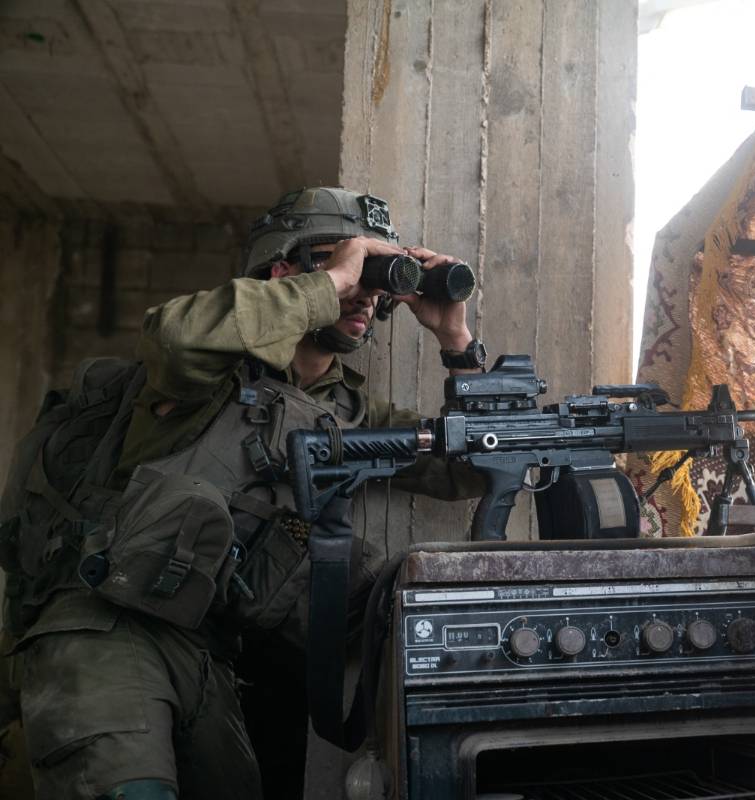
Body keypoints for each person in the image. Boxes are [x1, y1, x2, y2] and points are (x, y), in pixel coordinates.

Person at [10, 187, 485, 800]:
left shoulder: (345, 410)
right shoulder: (202, 375)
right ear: (282, 271)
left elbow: (466, 470)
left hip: (207, 656)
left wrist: (456, 339)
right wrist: (337, 277)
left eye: (375, 276)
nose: (365, 290)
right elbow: (175, 337)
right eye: (344, 263)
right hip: (106, 629)